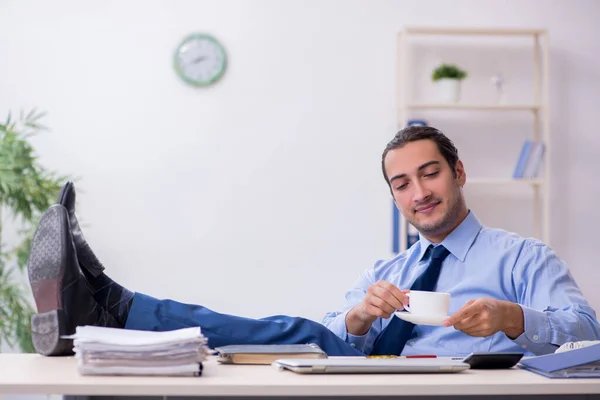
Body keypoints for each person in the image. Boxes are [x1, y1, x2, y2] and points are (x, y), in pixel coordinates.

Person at [27, 126, 600, 358]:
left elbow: (587, 330)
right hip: (374, 386)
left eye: (430, 174)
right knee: (286, 343)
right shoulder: (391, 266)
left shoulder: (523, 258)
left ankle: (111, 305)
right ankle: (100, 315)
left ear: (459, 173)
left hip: (456, 388)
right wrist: (356, 317)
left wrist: (512, 317)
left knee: (297, 336)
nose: (419, 193)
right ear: (394, 197)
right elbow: (335, 332)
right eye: (402, 184)